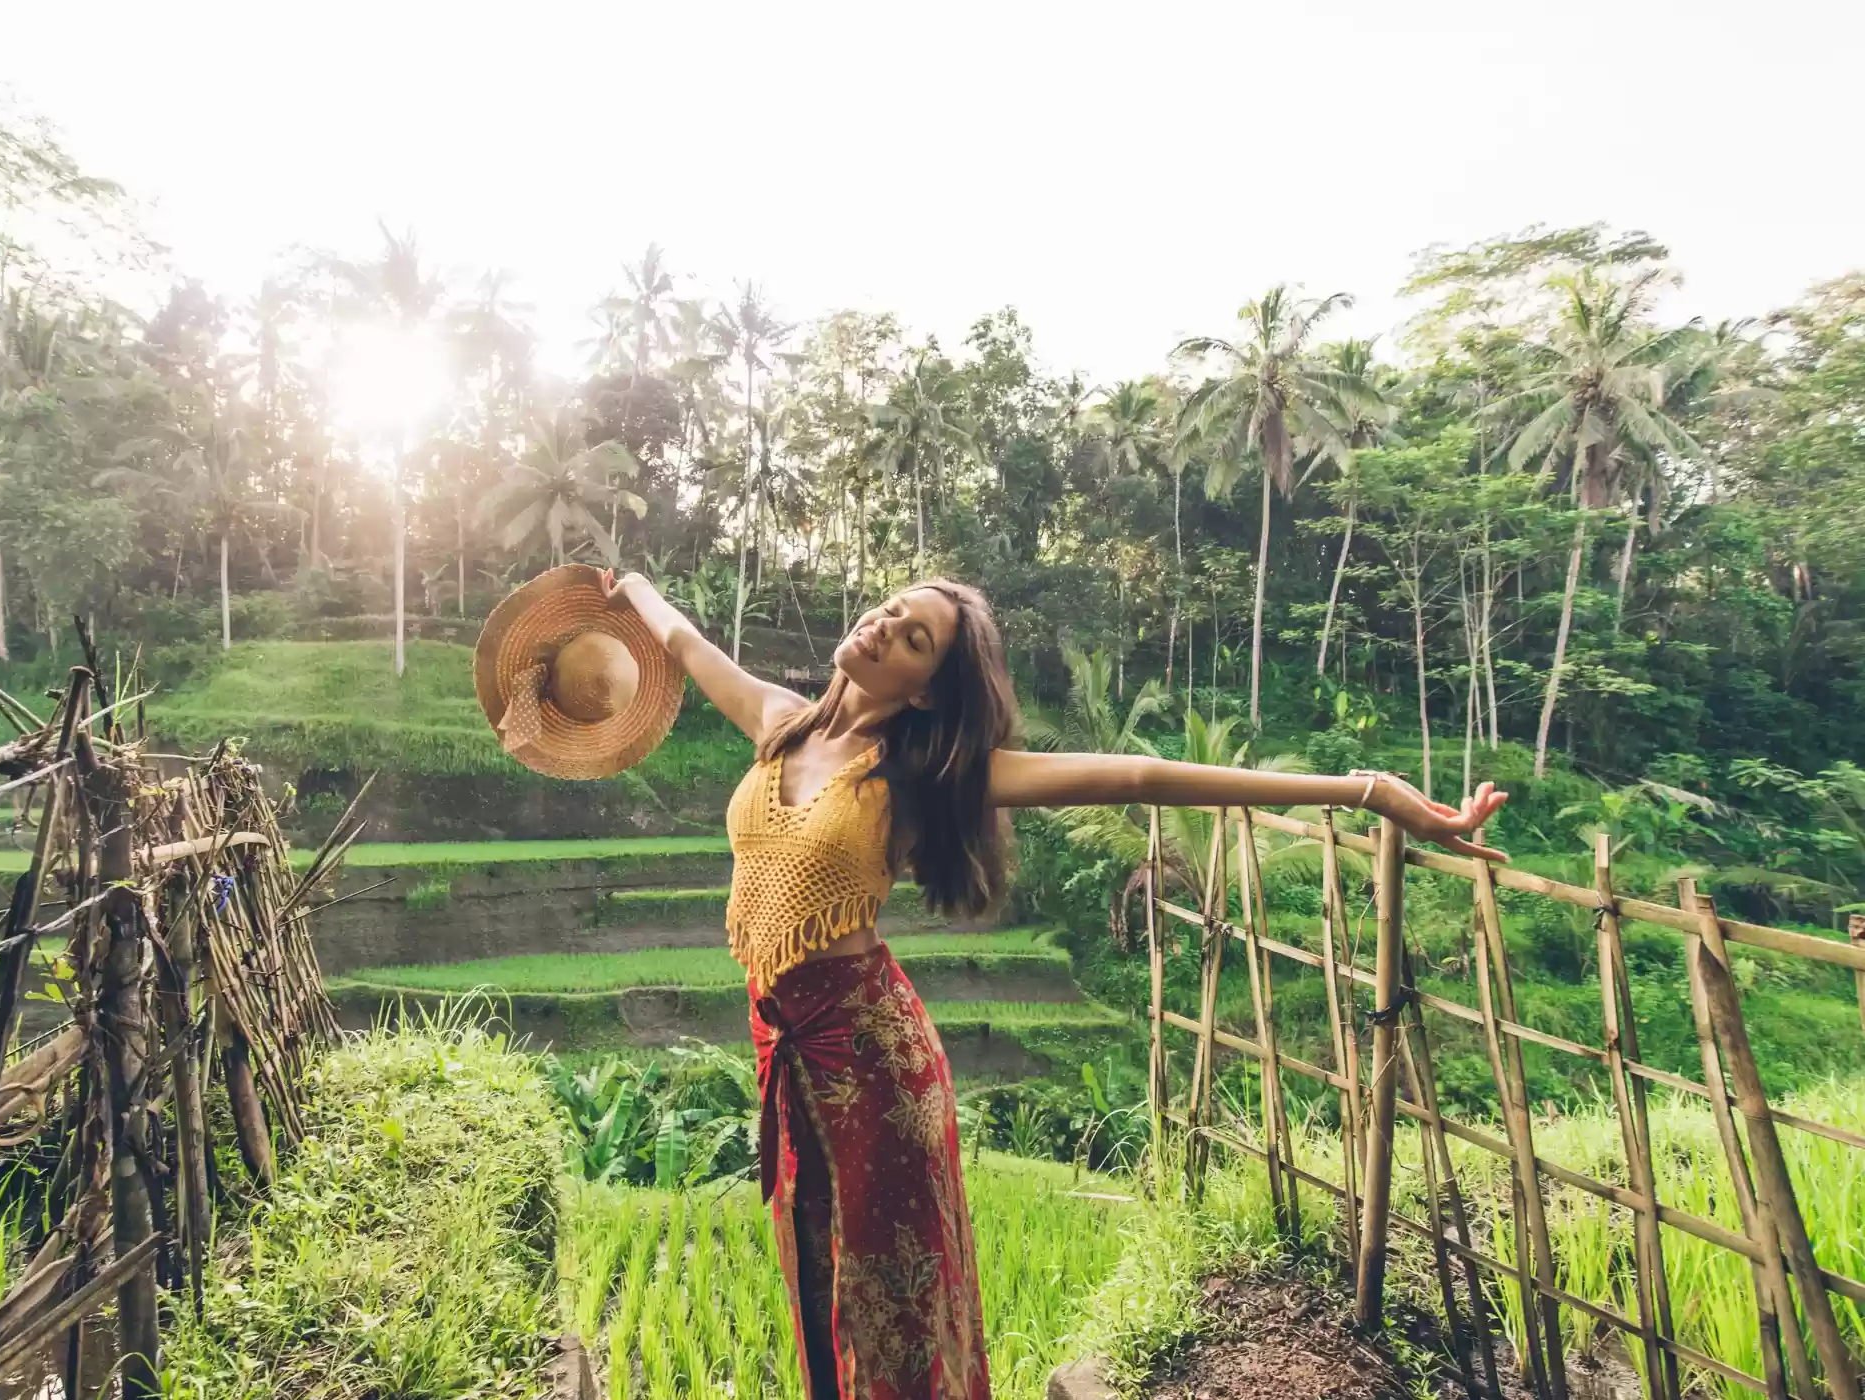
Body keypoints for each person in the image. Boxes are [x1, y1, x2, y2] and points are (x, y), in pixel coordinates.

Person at [603, 570, 1507, 1400]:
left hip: (874, 1060)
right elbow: (685, 643)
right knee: (813, 1264)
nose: (885, 627)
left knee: (894, 1305)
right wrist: (626, 586)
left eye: (915, 638)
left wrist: (1369, 791)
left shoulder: (927, 769)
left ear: (924, 689)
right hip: (786, 1042)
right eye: (892, 610)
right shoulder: (780, 720)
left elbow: (1139, 776)